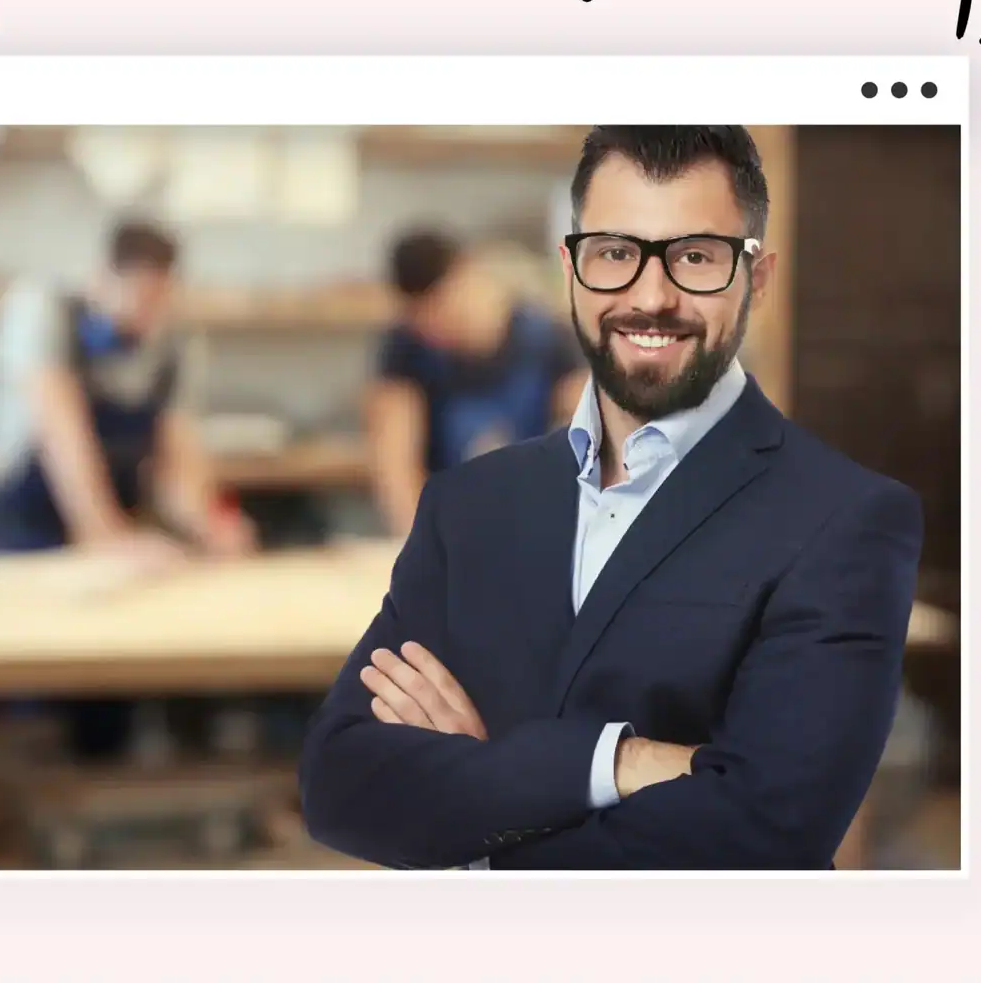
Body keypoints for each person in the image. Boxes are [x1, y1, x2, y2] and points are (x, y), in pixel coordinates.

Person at [298, 127, 925, 869]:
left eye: (695, 257)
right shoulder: (468, 507)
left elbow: (766, 833)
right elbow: (341, 786)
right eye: (616, 254)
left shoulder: (845, 520)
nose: (650, 296)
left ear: (755, 279)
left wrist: (474, 803)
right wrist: (614, 763)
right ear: (572, 269)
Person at [0, 216, 255, 760]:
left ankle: (102, 805)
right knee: (39, 693)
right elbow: (66, 439)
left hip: (119, 534)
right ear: (103, 277)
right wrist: (107, 536)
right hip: (34, 529)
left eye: (159, 300)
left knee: (110, 694)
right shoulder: (44, 311)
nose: (146, 315)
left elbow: (179, 459)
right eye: (138, 297)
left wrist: (210, 520)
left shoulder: (174, 343)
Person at [365, 229, 585, 539]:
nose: (434, 330)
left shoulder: (549, 339)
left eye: (443, 312)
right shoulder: (406, 349)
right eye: (422, 321)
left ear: (467, 274)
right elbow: (395, 465)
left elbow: (591, 444)